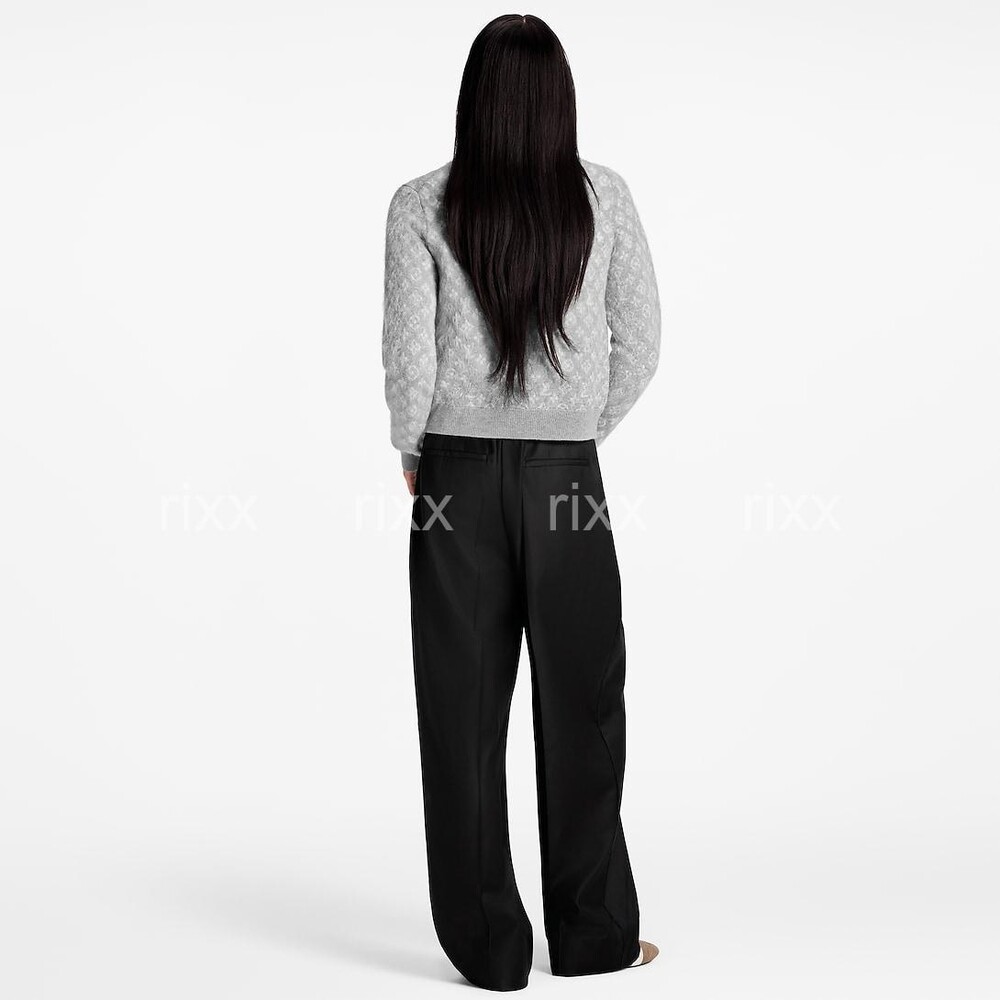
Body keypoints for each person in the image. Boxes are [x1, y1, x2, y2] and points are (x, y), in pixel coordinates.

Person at [381, 13, 661, 992]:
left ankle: (488, 950)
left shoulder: (420, 202)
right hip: (566, 483)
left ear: (475, 99)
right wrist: (576, 431)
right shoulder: (603, 196)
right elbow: (642, 342)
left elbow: (409, 353)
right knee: (584, 700)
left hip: (454, 482)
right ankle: (593, 936)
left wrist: (415, 452)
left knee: (460, 710)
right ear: (559, 101)